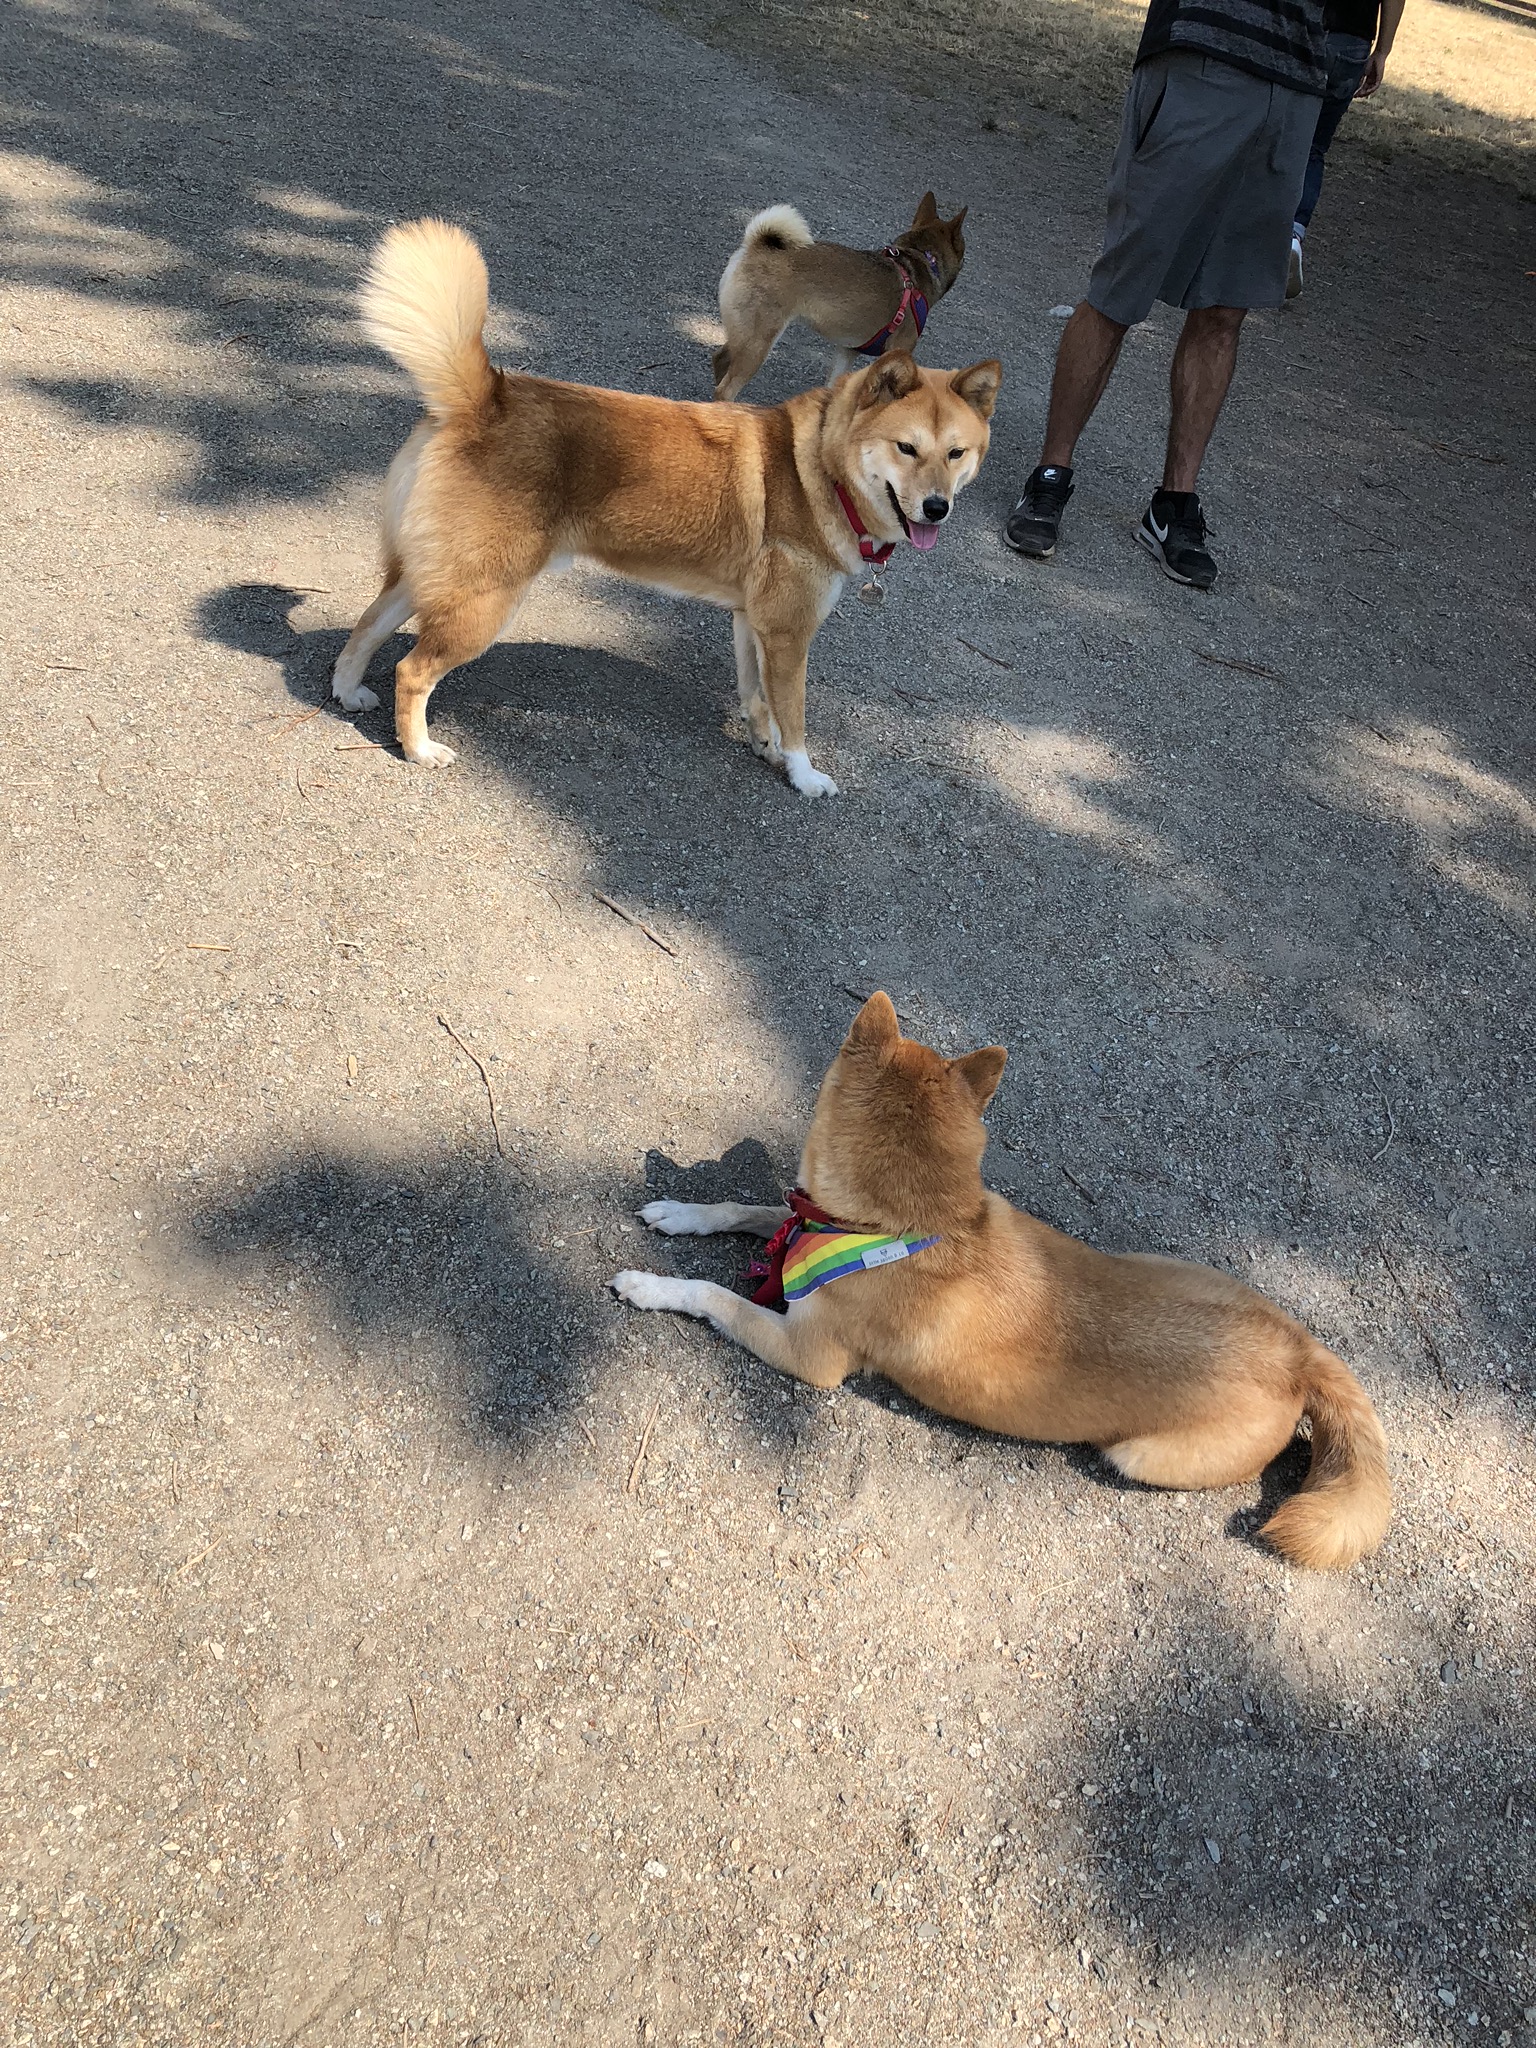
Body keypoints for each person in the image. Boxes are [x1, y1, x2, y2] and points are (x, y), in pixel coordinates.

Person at [1004, 0, 1328, 590]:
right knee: (1120, 286)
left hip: (1296, 78)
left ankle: (1173, 505)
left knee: (1226, 307)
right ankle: (1050, 475)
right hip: (1200, 55)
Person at [1287, 0, 1405, 299]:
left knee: (1280, 131)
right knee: (1314, 146)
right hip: (1352, 40)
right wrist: (1382, 50)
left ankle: (1246, 232)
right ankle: (1293, 236)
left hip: (1298, 23)